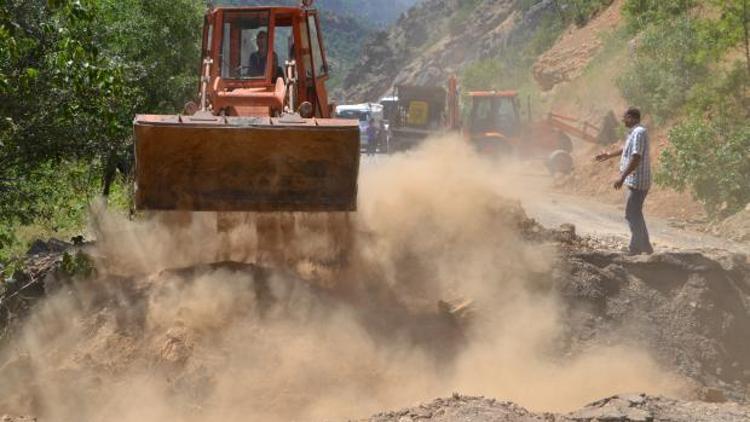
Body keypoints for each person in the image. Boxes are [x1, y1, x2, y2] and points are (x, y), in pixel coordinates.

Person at [595, 107, 654, 255]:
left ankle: (635, 249)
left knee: (631, 213)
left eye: (625, 118)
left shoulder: (639, 133)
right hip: (635, 179)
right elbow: (625, 149)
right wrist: (608, 155)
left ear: (633, 118)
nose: (623, 120)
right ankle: (646, 246)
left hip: (638, 180)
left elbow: (636, 157)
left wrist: (622, 177)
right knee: (636, 212)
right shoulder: (634, 132)